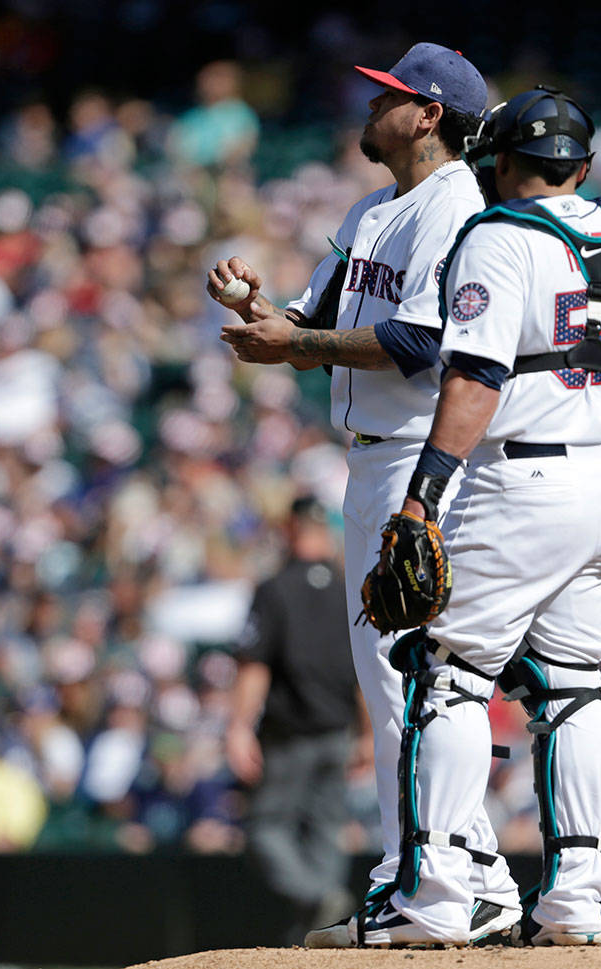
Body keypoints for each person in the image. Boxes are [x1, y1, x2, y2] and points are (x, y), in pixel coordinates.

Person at [208, 42, 522, 947]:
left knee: (408, 684)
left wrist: (294, 347)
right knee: (396, 687)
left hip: (417, 460)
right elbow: (318, 319)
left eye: (389, 95)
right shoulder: (374, 206)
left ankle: (417, 876)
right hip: (371, 458)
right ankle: (471, 871)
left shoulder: (455, 204)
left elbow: (422, 341)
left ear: (427, 115)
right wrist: (263, 315)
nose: (371, 104)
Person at [361, 87, 601, 946]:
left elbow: (475, 377)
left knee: (444, 674)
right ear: (584, 167)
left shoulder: (495, 234)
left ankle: (436, 894)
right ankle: (574, 903)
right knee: (571, 687)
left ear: (499, 162)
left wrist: (423, 495)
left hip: (524, 485)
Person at [227, 495, 363, 942]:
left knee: (266, 828)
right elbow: (366, 668)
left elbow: (254, 665)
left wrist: (239, 727)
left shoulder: (276, 588)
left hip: (290, 734)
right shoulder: (350, 587)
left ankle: (317, 899)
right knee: (325, 828)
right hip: (338, 730)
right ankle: (324, 922)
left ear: (290, 529)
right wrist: (367, 731)